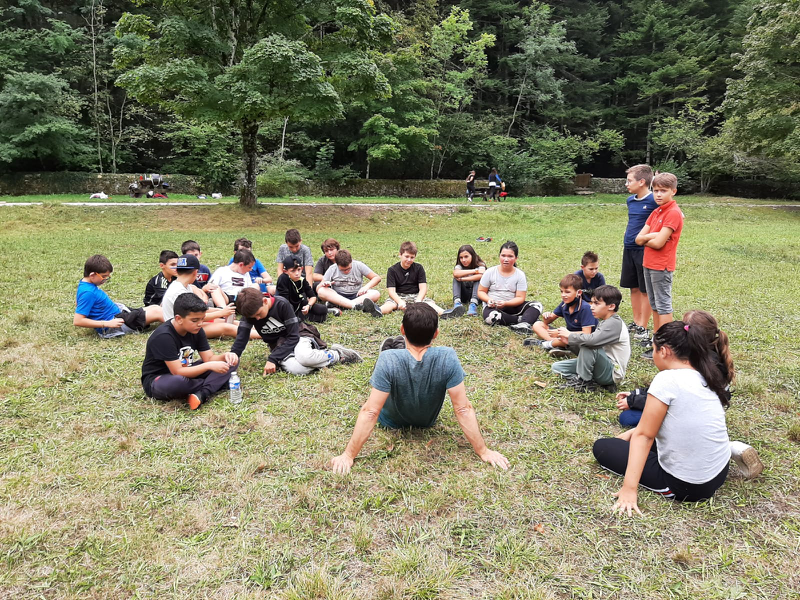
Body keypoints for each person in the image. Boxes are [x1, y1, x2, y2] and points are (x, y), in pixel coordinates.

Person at [329, 303, 510, 475]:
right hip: (426, 421)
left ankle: (395, 347)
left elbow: (370, 412)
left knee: (387, 359)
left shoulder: (387, 360)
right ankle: (398, 348)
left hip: (390, 422)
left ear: (402, 330)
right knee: (391, 360)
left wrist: (348, 455)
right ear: (436, 333)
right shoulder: (448, 357)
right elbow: (463, 409)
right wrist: (483, 451)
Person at [592, 320, 742, 515]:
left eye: (653, 349)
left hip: (688, 486)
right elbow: (672, 421)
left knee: (603, 447)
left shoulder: (667, 379)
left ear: (663, 351)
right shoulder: (705, 371)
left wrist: (629, 489)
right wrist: (633, 432)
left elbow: (645, 436)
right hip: (719, 472)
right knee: (632, 438)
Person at [614, 310, 763, 479]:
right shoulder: (709, 359)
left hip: (686, 418)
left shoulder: (695, 364)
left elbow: (669, 398)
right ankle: (730, 448)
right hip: (703, 423)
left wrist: (633, 403)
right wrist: (636, 395)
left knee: (628, 418)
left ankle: (729, 447)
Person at [231, 288, 361, 376]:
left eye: (259, 314)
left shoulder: (281, 304)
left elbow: (293, 337)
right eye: (253, 317)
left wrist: (273, 359)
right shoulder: (250, 313)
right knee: (298, 369)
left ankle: (337, 354)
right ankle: (318, 358)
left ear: (265, 301)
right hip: (280, 346)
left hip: (299, 335)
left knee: (305, 357)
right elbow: (242, 336)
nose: (257, 319)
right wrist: (234, 354)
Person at [141, 293, 238, 410]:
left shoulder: (197, 330)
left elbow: (209, 358)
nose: (200, 324)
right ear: (179, 319)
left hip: (188, 371)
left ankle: (202, 393)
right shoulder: (164, 336)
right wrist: (209, 366)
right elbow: (178, 371)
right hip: (161, 379)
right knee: (178, 382)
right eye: (194, 320)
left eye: (202, 319)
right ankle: (214, 385)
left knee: (231, 361)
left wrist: (226, 356)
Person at [635, 172, 684, 359]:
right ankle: (657, 340)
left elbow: (657, 243)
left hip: (661, 265)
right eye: (655, 190)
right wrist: (651, 236)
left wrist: (648, 238)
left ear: (673, 191)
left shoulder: (673, 213)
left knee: (663, 305)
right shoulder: (656, 212)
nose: (658, 194)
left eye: (663, 191)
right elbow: (638, 238)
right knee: (654, 304)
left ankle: (666, 345)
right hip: (648, 263)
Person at [551, 284, 630, 393]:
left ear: (611, 306)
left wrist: (570, 335)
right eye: (592, 302)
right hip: (599, 366)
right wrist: (569, 342)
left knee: (589, 343)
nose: (591, 306)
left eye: (596, 303)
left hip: (612, 372)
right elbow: (584, 353)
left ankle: (584, 382)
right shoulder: (605, 321)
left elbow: (592, 342)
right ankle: (590, 380)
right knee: (557, 367)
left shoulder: (614, 323)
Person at [74, 254, 163, 338]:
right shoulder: (88, 292)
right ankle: (171, 329)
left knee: (155, 307)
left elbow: (79, 303)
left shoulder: (85, 284)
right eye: (103, 277)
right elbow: (78, 321)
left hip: (118, 314)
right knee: (157, 312)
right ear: (92, 275)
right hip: (115, 324)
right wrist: (107, 324)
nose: (105, 280)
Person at [161, 254, 239, 337]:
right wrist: (221, 313)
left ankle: (248, 328)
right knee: (226, 327)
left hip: (188, 325)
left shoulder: (183, 286)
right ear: (195, 272)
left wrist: (222, 310)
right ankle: (249, 334)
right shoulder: (179, 291)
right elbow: (196, 316)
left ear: (177, 270)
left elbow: (200, 310)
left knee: (229, 322)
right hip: (181, 331)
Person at [620, 165, 655, 344]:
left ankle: (643, 326)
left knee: (644, 289)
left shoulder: (654, 200)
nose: (626, 184)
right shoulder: (630, 200)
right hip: (629, 248)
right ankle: (636, 321)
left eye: (629, 181)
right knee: (633, 287)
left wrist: (651, 238)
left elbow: (677, 216)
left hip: (644, 250)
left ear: (642, 182)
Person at [524, 273, 597, 357]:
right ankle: (556, 344)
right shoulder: (564, 304)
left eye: (567, 292)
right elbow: (548, 321)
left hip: (583, 340)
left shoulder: (586, 308)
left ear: (579, 292)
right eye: (561, 291)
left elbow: (586, 334)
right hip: (568, 335)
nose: (563, 295)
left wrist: (564, 334)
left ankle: (545, 344)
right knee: (538, 324)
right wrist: (546, 317)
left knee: (566, 338)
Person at [477, 241, 541, 334]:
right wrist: (488, 300)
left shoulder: (520, 274)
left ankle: (524, 323)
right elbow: (481, 291)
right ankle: (522, 320)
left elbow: (520, 297)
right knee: (491, 318)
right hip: (493, 307)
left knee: (537, 305)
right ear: (499, 256)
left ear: (516, 258)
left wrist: (506, 303)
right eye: (503, 255)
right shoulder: (490, 272)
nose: (506, 259)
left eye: (510, 256)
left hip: (512, 305)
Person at [378, 241, 444, 316]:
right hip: (399, 296)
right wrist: (399, 301)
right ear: (400, 255)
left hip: (416, 295)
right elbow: (391, 291)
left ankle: (445, 313)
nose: (409, 260)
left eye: (412, 257)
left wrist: (419, 300)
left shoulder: (419, 268)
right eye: (406, 256)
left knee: (429, 304)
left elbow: (423, 288)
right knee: (389, 305)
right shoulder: (392, 270)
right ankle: (377, 311)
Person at [317, 249, 384, 318]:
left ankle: (343, 305)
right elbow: (318, 289)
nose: (346, 271)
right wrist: (324, 284)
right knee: (322, 291)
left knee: (376, 293)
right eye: (342, 270)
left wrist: (366, 287)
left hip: (357, 295)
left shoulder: (358, 265)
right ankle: (355, 306)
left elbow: (377, 278)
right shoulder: (332, 269)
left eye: (349, 268)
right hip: (338, 296)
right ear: (337, 264)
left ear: (351, 261)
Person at [275, 255, 336, 322]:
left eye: (299, 270)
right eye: (293, 271)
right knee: (320, 318)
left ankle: (324, 311)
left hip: (299, 304)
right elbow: (285, 302)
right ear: (285, 271)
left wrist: (308, 306)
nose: (297, 273)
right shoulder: (283, 279)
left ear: (302, 268)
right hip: (287, 308)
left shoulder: (301, 279)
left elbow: (313, 296)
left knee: (322, 309)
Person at [441, 245, 486, 319]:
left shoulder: (480, 264)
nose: (463, 260)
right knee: (456, 278)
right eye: (461, 257)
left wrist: (462, 279)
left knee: (478, 279)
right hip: (464, 295)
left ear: (472, 256)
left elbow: (481, 275)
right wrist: (475, 271)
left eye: (466, 257)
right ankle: (457, 303)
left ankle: (473, 305)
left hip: (478, 296)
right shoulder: (459, 266)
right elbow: (456, 273)